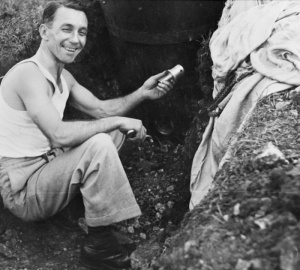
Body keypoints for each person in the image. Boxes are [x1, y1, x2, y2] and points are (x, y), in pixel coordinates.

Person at [0, 1, 174, 269]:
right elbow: (58, 135)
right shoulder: (28, 75)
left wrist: (142, 92)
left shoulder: (64, 76)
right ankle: (99, 247)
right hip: (22, 187)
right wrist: (116, 121)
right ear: (44, 32)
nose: (75, 39)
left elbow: (102, 110)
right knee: (100, 143)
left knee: (113, 131)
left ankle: (83, 213)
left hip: (46, 165)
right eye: (66, 29)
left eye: (82, 32)